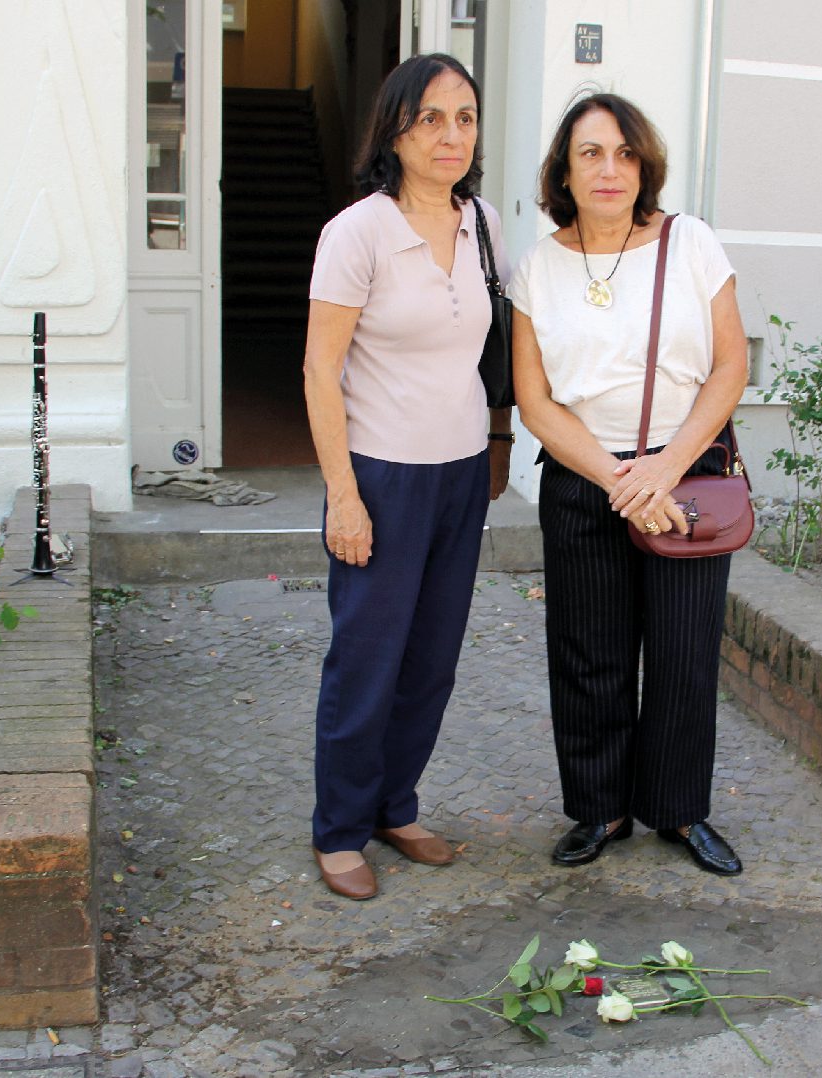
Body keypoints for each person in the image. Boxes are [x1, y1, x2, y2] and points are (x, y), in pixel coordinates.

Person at [510, 94, 749, 876]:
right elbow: (536, 401)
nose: (608, 169)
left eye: (623, 153)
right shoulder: (538, 268)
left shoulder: (693, 245)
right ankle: (600, 809)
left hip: (684, 481)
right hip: (586, 480)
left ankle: (679, 813)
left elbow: (730, 364)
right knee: (588, 653)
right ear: (564, 171)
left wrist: (664, 467)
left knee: (683, 653)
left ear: (643, 164)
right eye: (590, 154)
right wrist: (620, 478)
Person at [304, 53, 512, 900]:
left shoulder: (485, 223)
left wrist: (496, 443)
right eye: (432, 118)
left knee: (431, 659)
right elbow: (321, 371)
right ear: (395, 127)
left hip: (460, 474)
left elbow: (495, 348)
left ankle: (397, 805)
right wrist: (344, 496)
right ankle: (340, 830)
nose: (451, 135)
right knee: (367, 658)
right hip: (380, 475)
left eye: (464, 117)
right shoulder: (357, 232)